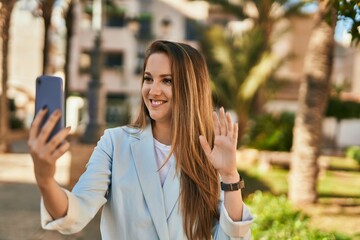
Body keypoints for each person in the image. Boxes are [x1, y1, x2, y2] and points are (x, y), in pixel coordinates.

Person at [28, 40, 253, 240]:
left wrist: (229, 176)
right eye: (148, 78)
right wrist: (45, 179)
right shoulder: (115, 144)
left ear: (191, 89)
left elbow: (232, 237)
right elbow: (74, 213)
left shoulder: (210, 154)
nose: (153, 90)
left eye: (167, 81)